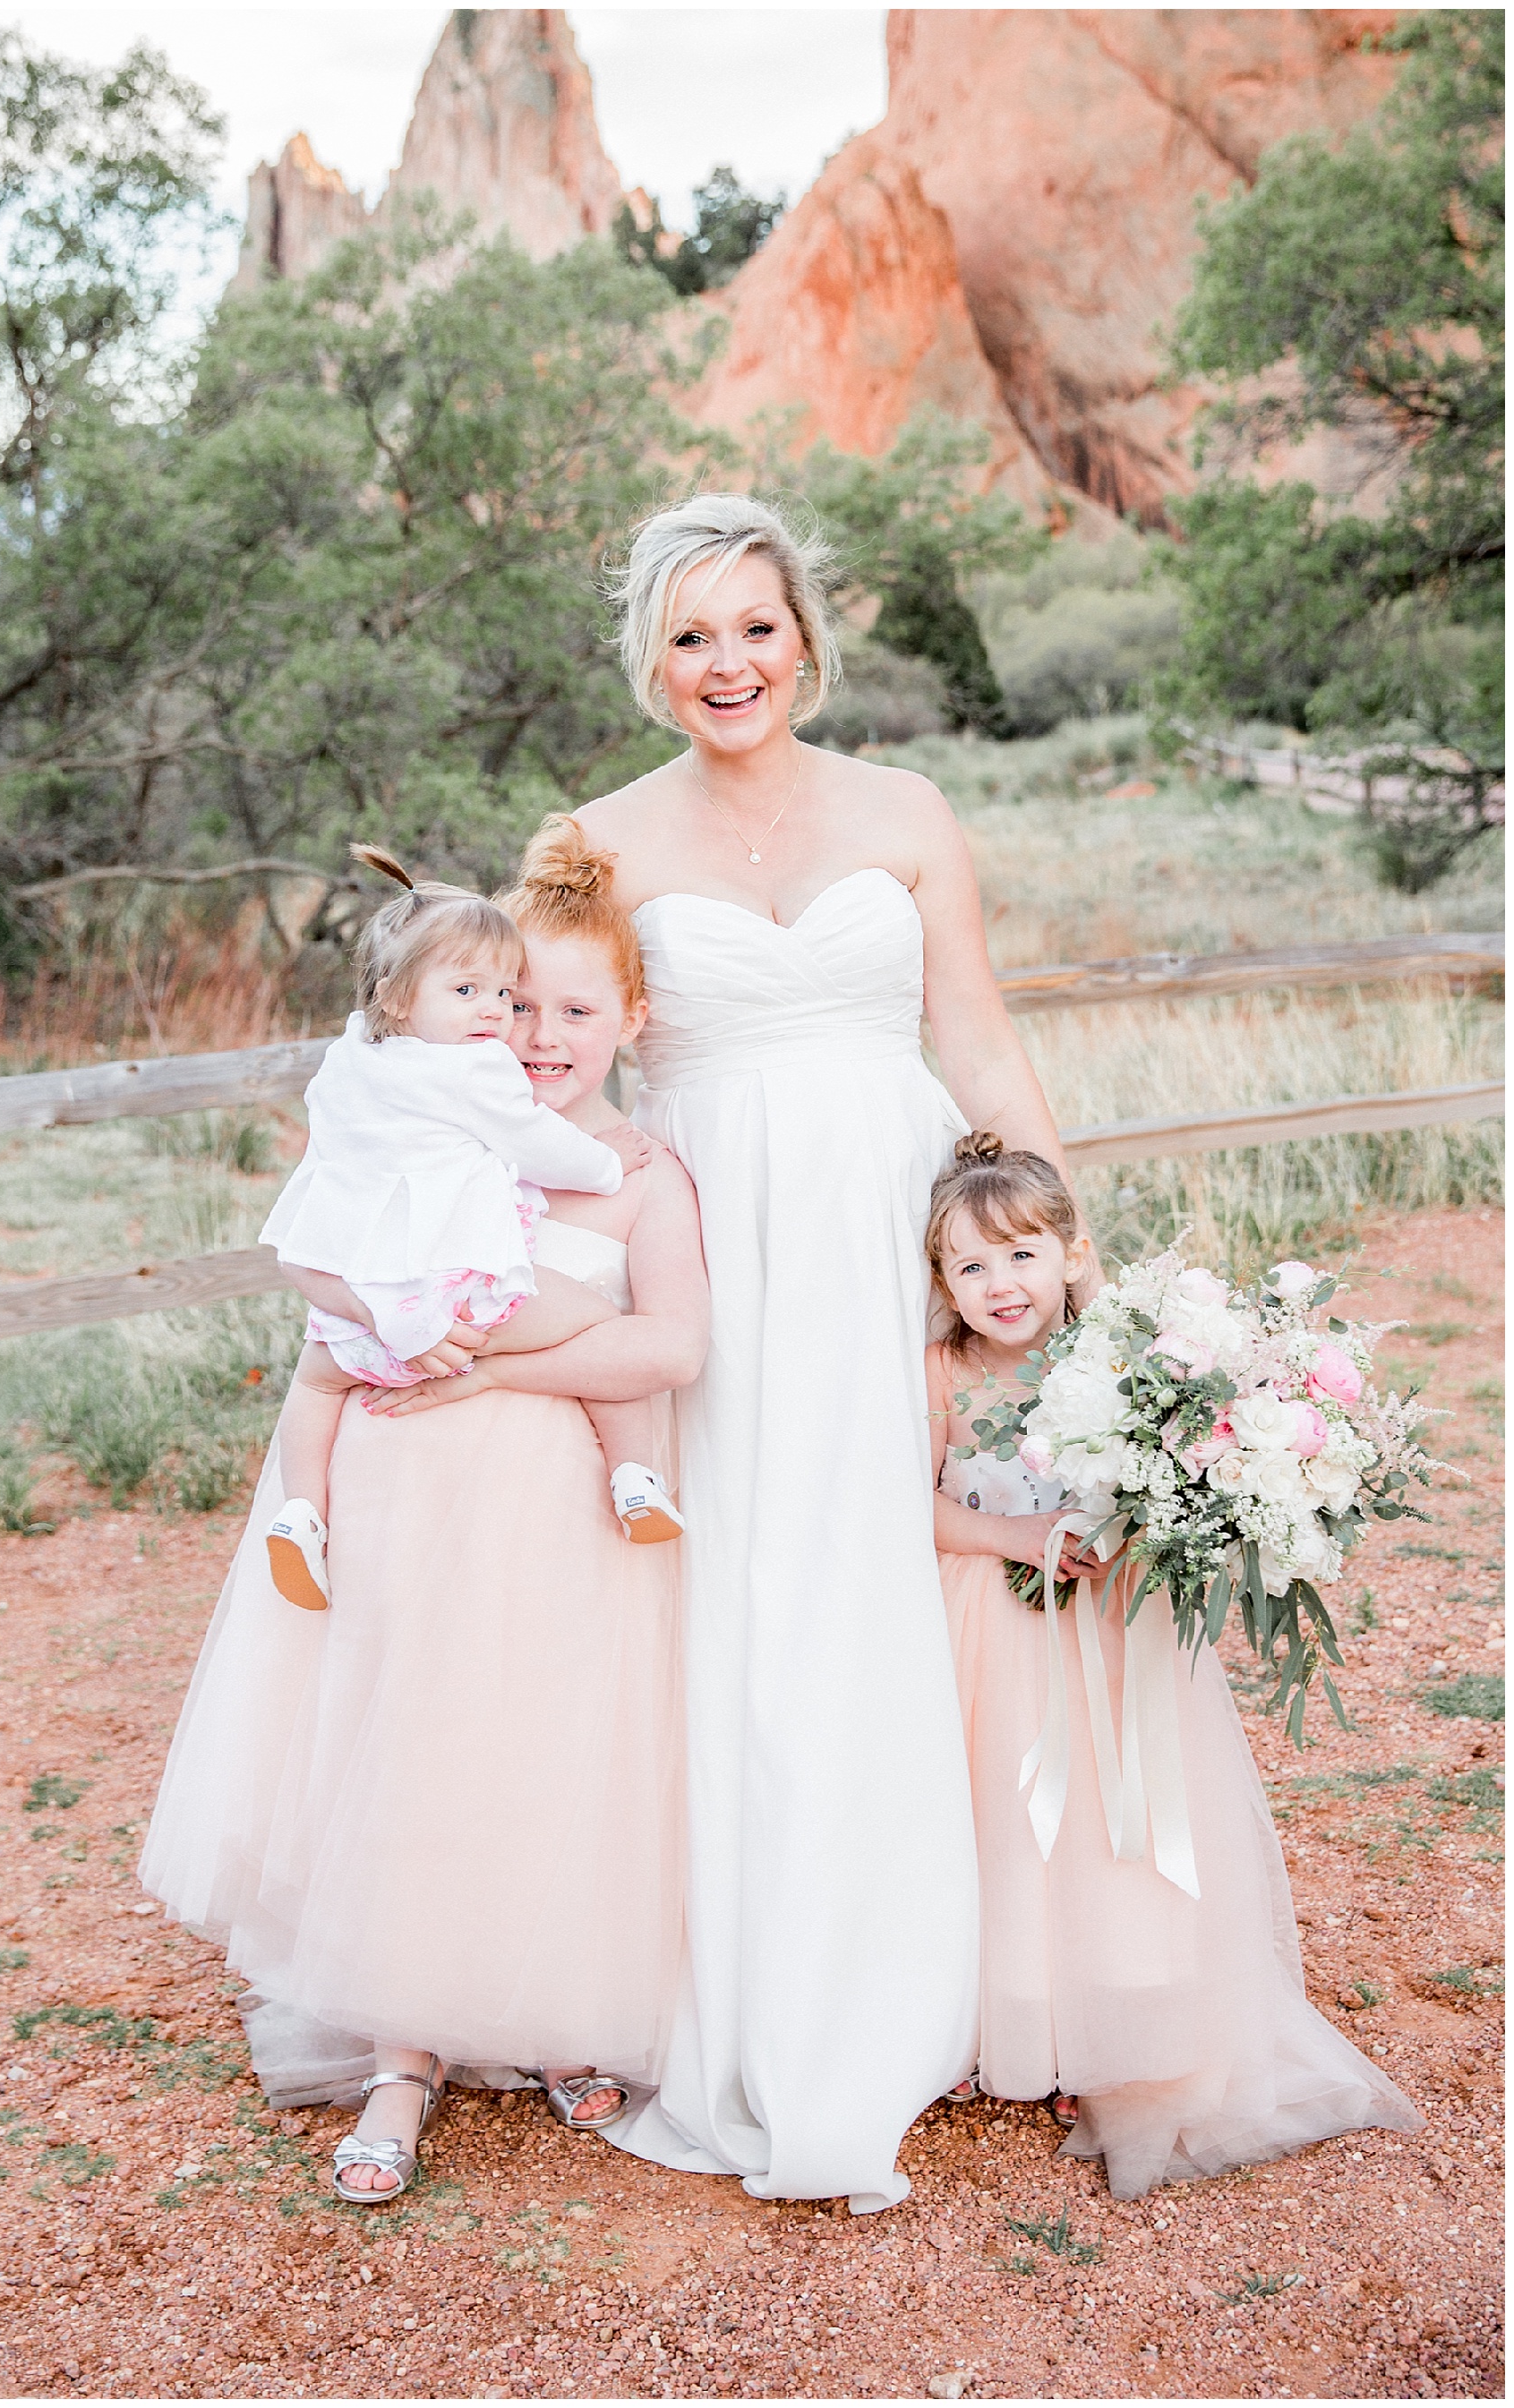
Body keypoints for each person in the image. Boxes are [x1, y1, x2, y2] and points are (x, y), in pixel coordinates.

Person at [572, 491, 1085, 2213]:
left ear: (807, 637)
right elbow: (551, 1068)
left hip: (890, 1233)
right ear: (655, 656)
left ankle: (943, 1967)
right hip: (718, 1253)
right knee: (752, 1593)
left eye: (757, 628)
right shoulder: (594, 841)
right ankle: (748, 1977)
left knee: (893, 1565)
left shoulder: (908, 809)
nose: (731, 664)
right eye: (694, 634)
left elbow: (979, 1041)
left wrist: (1072, 1257)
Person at [139, 820, 709, 2200]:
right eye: (514, 1005)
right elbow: (326, 1277)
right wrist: (381, 1328)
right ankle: (403, 2052)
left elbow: (671, 1353)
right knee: (415, 1748)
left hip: (567, 1514)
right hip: (415, 1502)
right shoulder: (421, 1136)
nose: (538, 1034)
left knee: (551, 1749)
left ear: (630, 1022)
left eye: (573, 1010)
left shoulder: (637, 1175)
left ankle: (551, 2011)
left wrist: (482, 1361)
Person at [926, 1131, 1423, 2198]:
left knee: (1119, 1821)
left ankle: (1110, 2021)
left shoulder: (1118, 1355)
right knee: (1003, 1819)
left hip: (1110, 1627)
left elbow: (1171, 1473)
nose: (999, 1283)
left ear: (1071, 1252)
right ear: (943, 1284)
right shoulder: (946, 1372)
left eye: (1020, 1254)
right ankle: (1005, 2026)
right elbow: (909, 1503)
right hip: (990, 1625)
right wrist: (1020, 1539)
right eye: (970, 1265)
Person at [261, 846, 675, 1612]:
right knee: (592, 1317)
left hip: (368, 1323)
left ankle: (300, 1510)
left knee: (312, 1383)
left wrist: (385, 1315)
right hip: (459, 1309)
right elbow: (540, 1146)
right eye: (502, 1001)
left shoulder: (351, 1070)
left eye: (502, 995)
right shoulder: (479, 1077)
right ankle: (634, 1474)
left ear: (630, 1021)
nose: (509, 1022)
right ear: (398, 998)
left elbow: (301, 1239)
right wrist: (607, 1164)